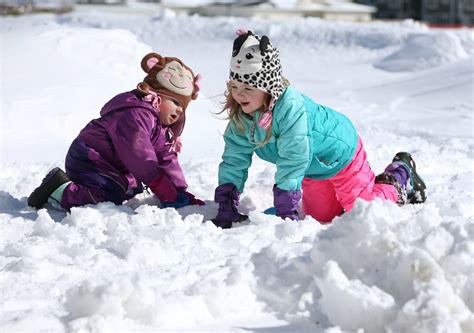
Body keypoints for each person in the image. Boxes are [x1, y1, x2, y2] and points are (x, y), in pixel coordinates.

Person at [212, 30, 426, 229]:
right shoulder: (242, 116)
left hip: (341, 156)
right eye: (234, 87)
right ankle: (345, 195)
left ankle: (398, 175)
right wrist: (226, 202)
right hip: (313, 170)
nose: (239, 95)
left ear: (269, 88)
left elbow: (293, 160)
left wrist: (286, 209)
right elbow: (234, 158)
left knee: (361, 210)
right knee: (322, 218)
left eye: (248, 88)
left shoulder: (290, 110)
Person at [28, 52, 205, 211]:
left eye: (183, 107)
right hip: (90, 158)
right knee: (106, 197)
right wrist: (159, 184)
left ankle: (92, 188)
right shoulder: (136, 114)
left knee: (127, 189)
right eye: (175, 102)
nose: (180, 110)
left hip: (110, 165)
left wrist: (178, 190)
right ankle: (59, 189)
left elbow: (167, 159)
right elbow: (139, 154)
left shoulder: (160, 128)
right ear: (156, 94)